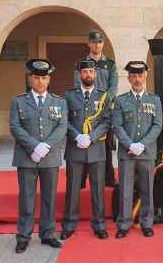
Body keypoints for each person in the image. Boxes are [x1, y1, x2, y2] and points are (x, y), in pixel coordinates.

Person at [9, 59, 67, 253]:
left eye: (44, 77)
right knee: (27, 197)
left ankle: (48, 234)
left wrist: (46, 146)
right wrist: (35, 146)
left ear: (49, 79)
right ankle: (23, 236)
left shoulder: (59, 102)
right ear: (30, 78)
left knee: (49, 197)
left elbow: (62, 126)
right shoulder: (19, 101)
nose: (40, 82)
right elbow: (15, 126)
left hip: (49, 157)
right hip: (26, 157)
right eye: (36, 77)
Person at [61, 59, 111, 240]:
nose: (88, 74)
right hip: (75, 148)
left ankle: (99, 224)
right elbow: (64, 121)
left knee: (98, 189)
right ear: (79, 74)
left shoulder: (103, 95)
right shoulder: (69, 96)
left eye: (91, 71)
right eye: (84, 72)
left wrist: (91, 137)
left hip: (96, 148)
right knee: (73, 188)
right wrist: (77, 136)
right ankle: (69, 224)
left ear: (95, 74)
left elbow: (107, 121)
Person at [113, 61, 163, 239]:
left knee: (147, 189)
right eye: (133, 76)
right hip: (127, 153)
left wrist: (142, 144)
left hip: (147, 152)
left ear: (145, 76)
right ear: (128, 78)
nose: (137, 79)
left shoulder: (155, 100)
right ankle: (124, 223)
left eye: (140, 75)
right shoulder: (120, 100)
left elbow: (157, 126)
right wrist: (130, 145)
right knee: (125, 190)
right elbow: (117, 126)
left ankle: (146, 223)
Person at [74, 30, 118, 188]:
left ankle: (108, 177)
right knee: (84, 143)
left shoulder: (110, 64)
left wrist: (104, 102)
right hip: (86, 110)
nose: (97, 45)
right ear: (89, 43)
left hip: (104, 111)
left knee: (105, 145)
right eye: (93, 42)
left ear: (103, 44)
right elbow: (76, 85)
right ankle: (81, 179)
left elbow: (113, 87)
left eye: (99, 42)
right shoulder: (81, 64)